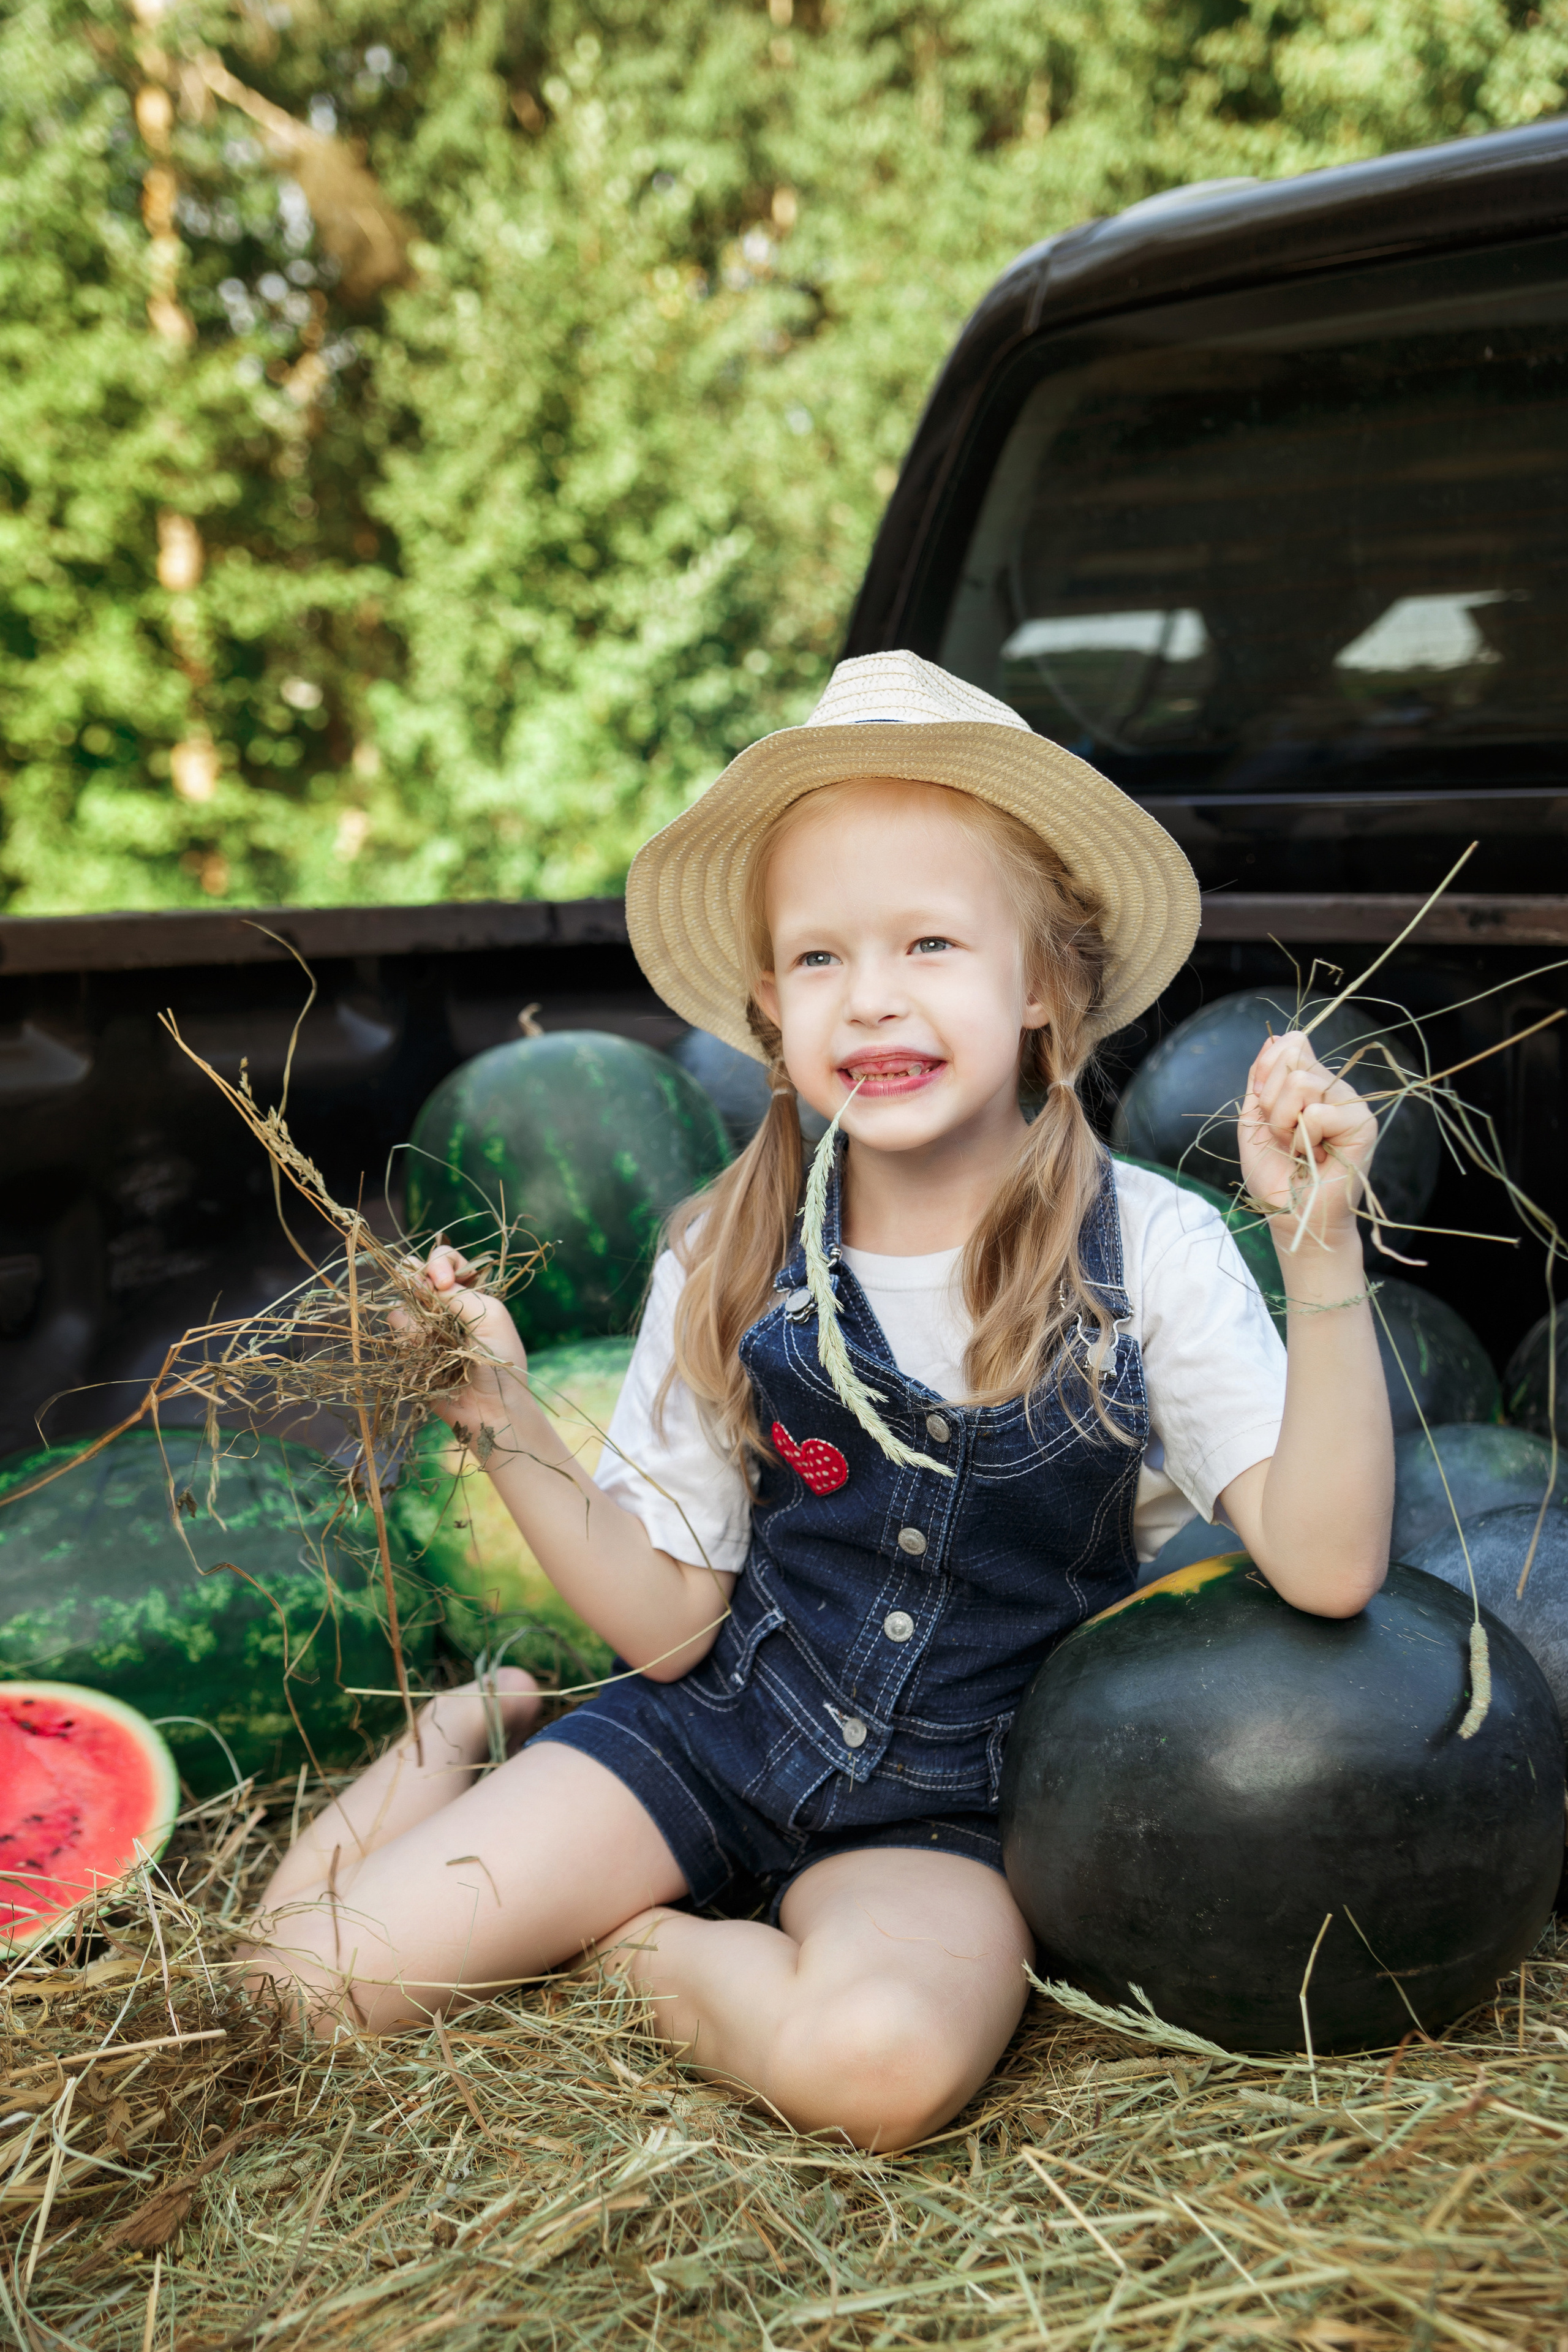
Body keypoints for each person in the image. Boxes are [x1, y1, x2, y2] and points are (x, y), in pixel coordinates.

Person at [246, 651, 1393, 2149]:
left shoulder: (1155, 1254)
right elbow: (668, 1626)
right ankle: (463, 1731)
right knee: (288, 1987)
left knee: (881, 2075)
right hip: (710, 1734)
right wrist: (501, 1415)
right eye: (819, 960)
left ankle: (632, 1945)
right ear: (768, 1016)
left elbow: (1328, 1564)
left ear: (1043, 986)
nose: (873, 1002)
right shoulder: (723, 1252)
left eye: (928, 943)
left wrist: (1321, 1256)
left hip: (950, 1818)